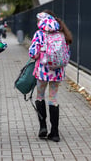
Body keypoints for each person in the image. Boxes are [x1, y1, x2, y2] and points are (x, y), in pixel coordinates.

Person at [28, 10, 72, 142]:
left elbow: (33, 53)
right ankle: (55, 132)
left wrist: (39, 54)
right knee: (53, 99)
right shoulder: (62, 33)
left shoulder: (40, 34)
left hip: (42, 71)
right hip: (57, 72)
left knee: (40, 96)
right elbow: (67, 52)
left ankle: (43, 127)